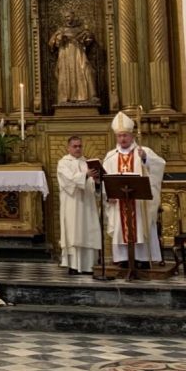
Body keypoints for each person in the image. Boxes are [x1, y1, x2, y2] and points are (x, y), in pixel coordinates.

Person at [102, 112, 165, 269]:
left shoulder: (144, 151)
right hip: (119, 202)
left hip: (139, 202)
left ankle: (142, 258)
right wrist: (108, 194)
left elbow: (159, 165)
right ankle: (123, 258)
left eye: (125, 135)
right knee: (120, 226)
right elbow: (106, 179)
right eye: (119, 136)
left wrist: (145, 159)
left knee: (141, 226)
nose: (122, 139)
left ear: (132, 136)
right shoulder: (110, 156)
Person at [57, 136, 101, 275]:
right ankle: (74, 266)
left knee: (88, 230)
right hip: (72, 203)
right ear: (68, 147)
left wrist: (97, 181)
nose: (77, 149)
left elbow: (94, 187)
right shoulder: (63, 163)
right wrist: (86, 175)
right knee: (73, 231)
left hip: (87, 204)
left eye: (80, 146)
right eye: (75, 146)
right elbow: (68, 180)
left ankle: (89, 266)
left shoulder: (88, 163)